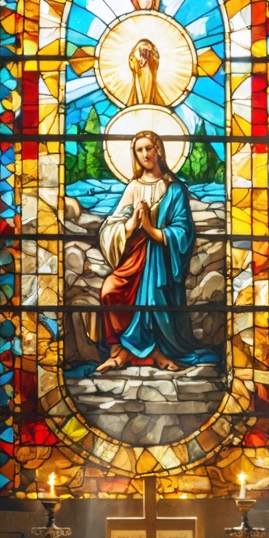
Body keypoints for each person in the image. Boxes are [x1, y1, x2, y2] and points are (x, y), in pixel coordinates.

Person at [96, 130, 197, 373]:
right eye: (139, 150)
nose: (144, 154)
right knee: (110, 289)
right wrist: (131, 223)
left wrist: (151, 229)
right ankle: (117, 351)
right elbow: (110, 225)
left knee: (152, 298)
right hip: (134, 256)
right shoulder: (133, 187)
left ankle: (153, 354)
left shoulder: (175, 189)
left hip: (160, 259)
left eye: (148, 148)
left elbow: (183, 231)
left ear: (159, 150)